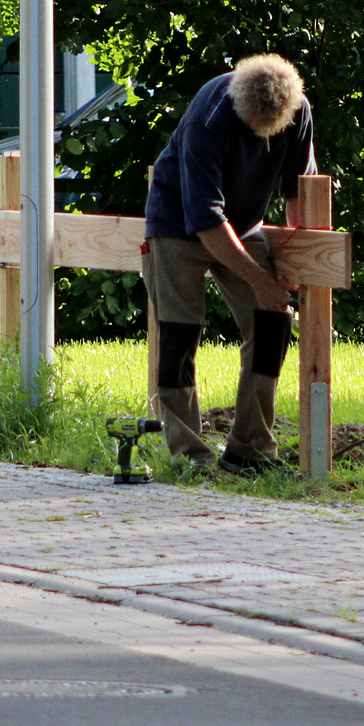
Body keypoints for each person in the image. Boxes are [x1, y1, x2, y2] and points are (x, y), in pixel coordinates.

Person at [142, 54, 316, 476]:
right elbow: (205, 221)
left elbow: (299, 190)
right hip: (177, 224)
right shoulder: (211, 118)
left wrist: (292, 259)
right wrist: (261, 281)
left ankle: (249, 450)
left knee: (273, 320)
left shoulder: (298, 110)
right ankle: (191, 457)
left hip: (243, 224)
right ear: (241, 108)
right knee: (179, 334)